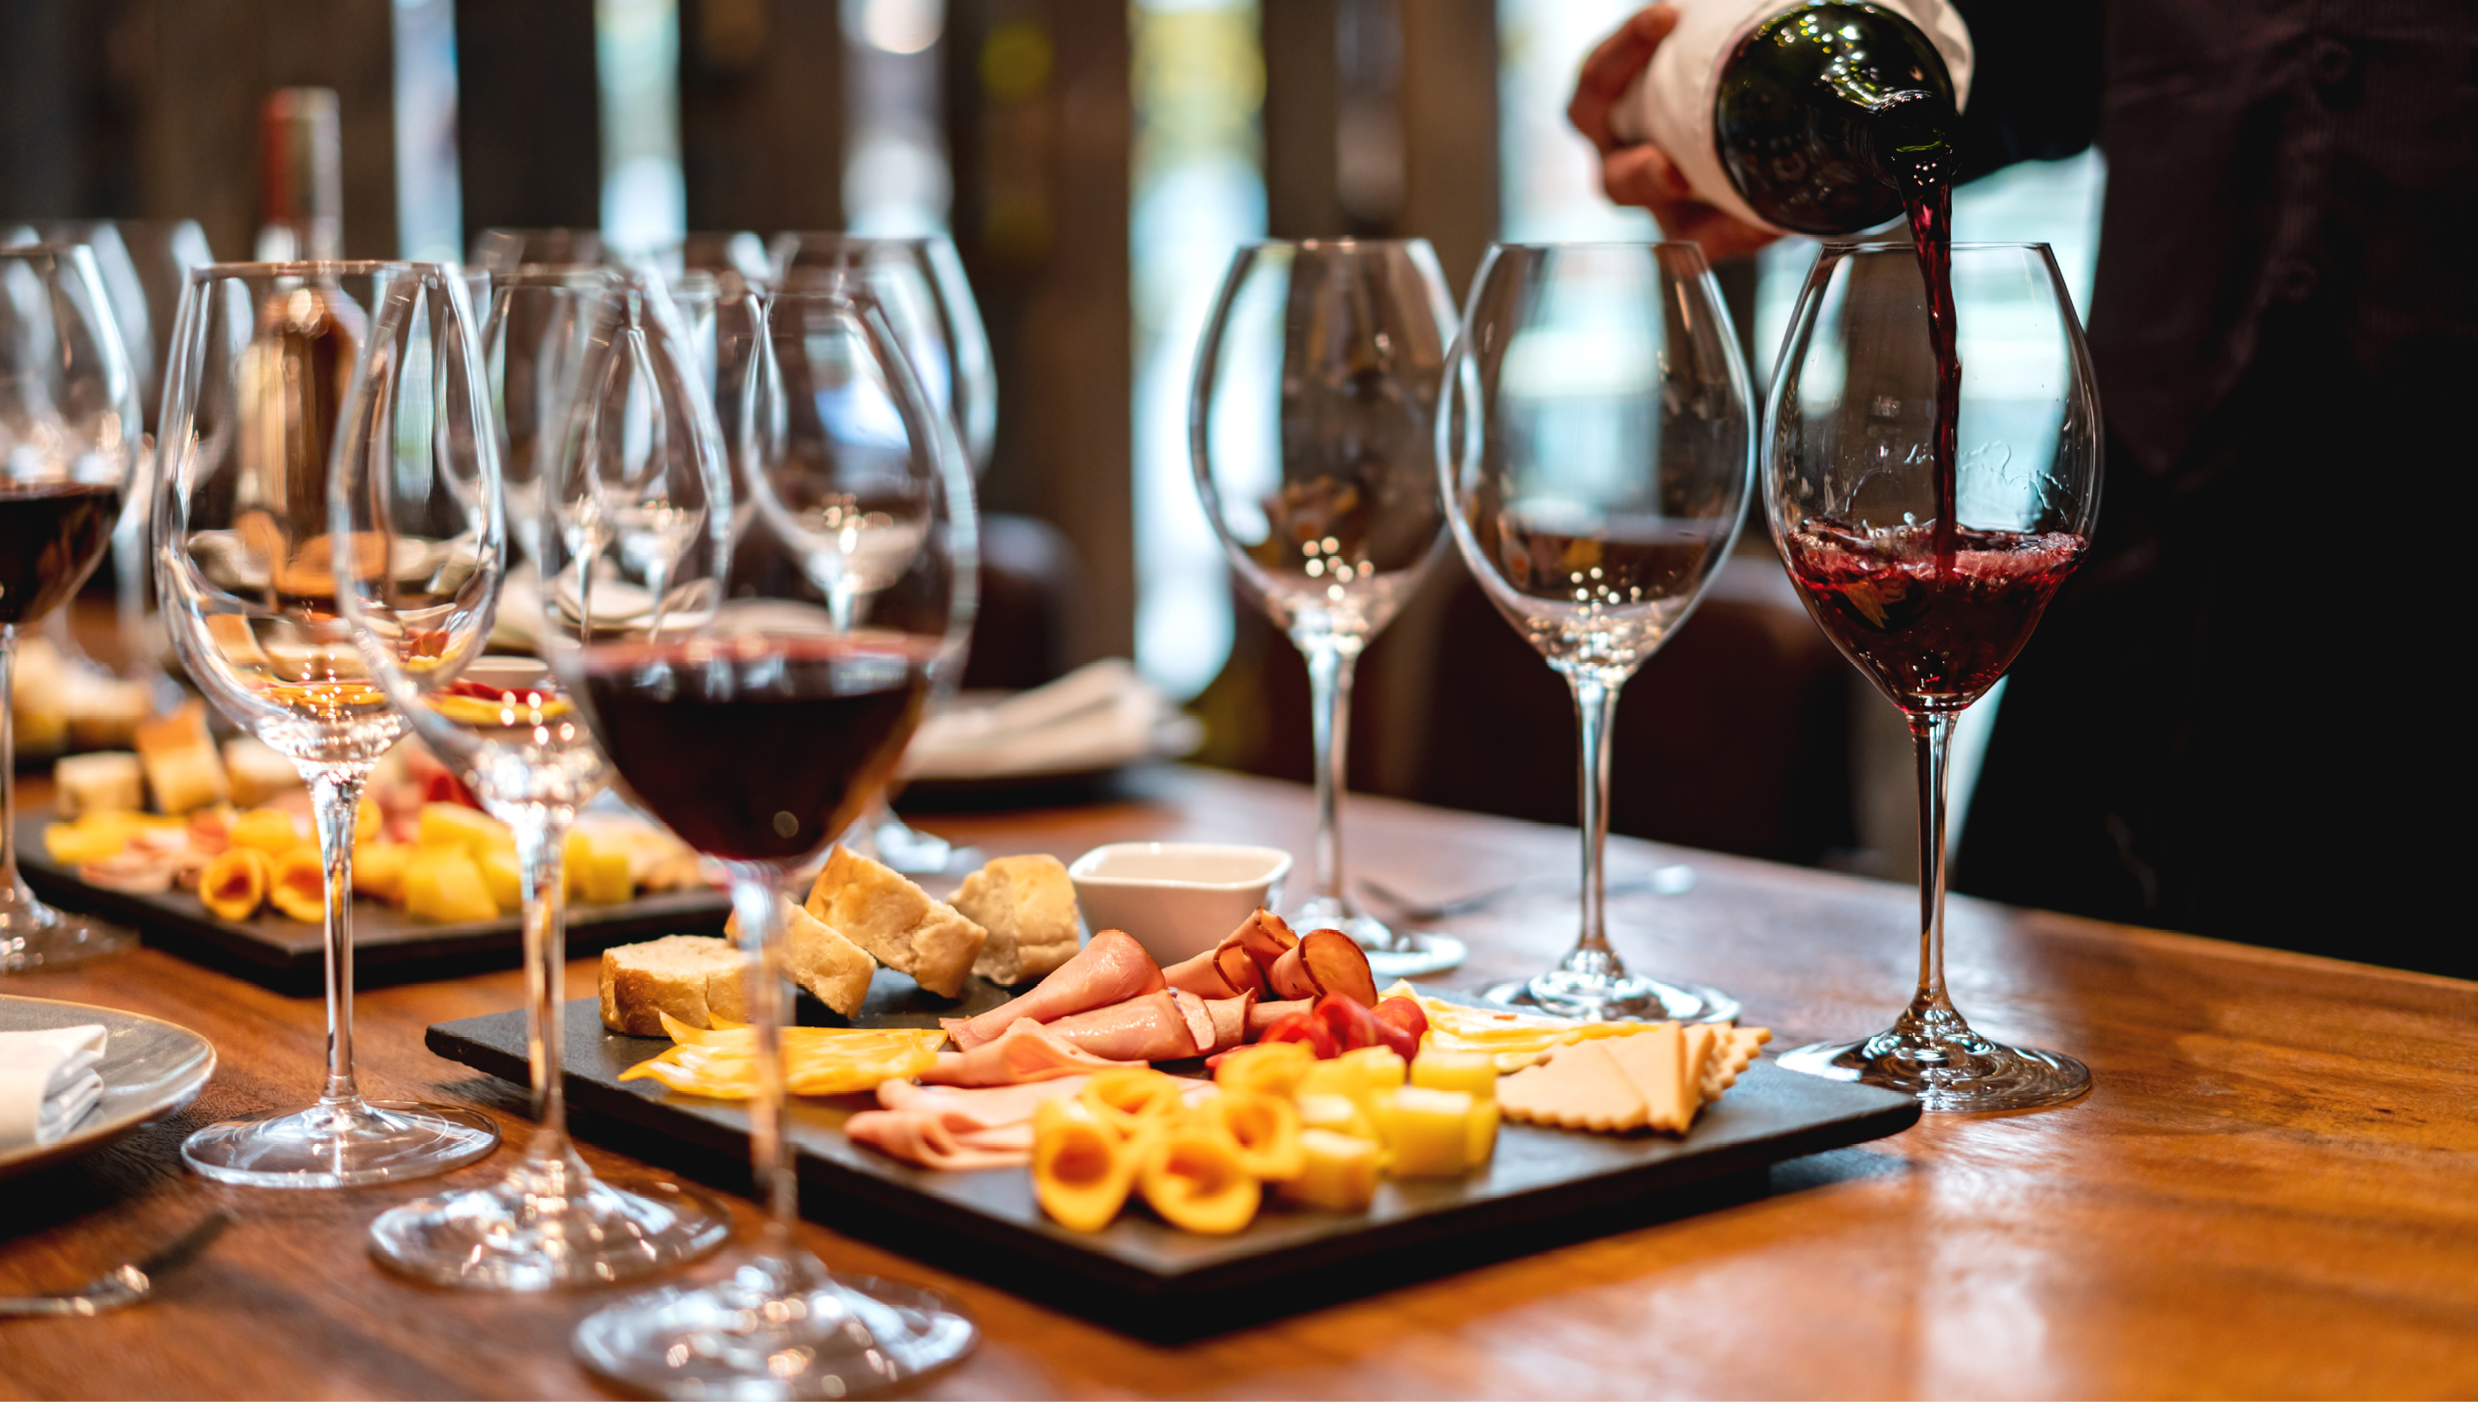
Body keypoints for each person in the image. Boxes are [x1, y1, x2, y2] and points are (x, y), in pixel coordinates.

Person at [1570, 2, 2476, 977]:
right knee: (2040, 1084)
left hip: (2439, 681)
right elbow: (2002, 62)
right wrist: (1736, 124)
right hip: (2123, 644)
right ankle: (1930, 1012)